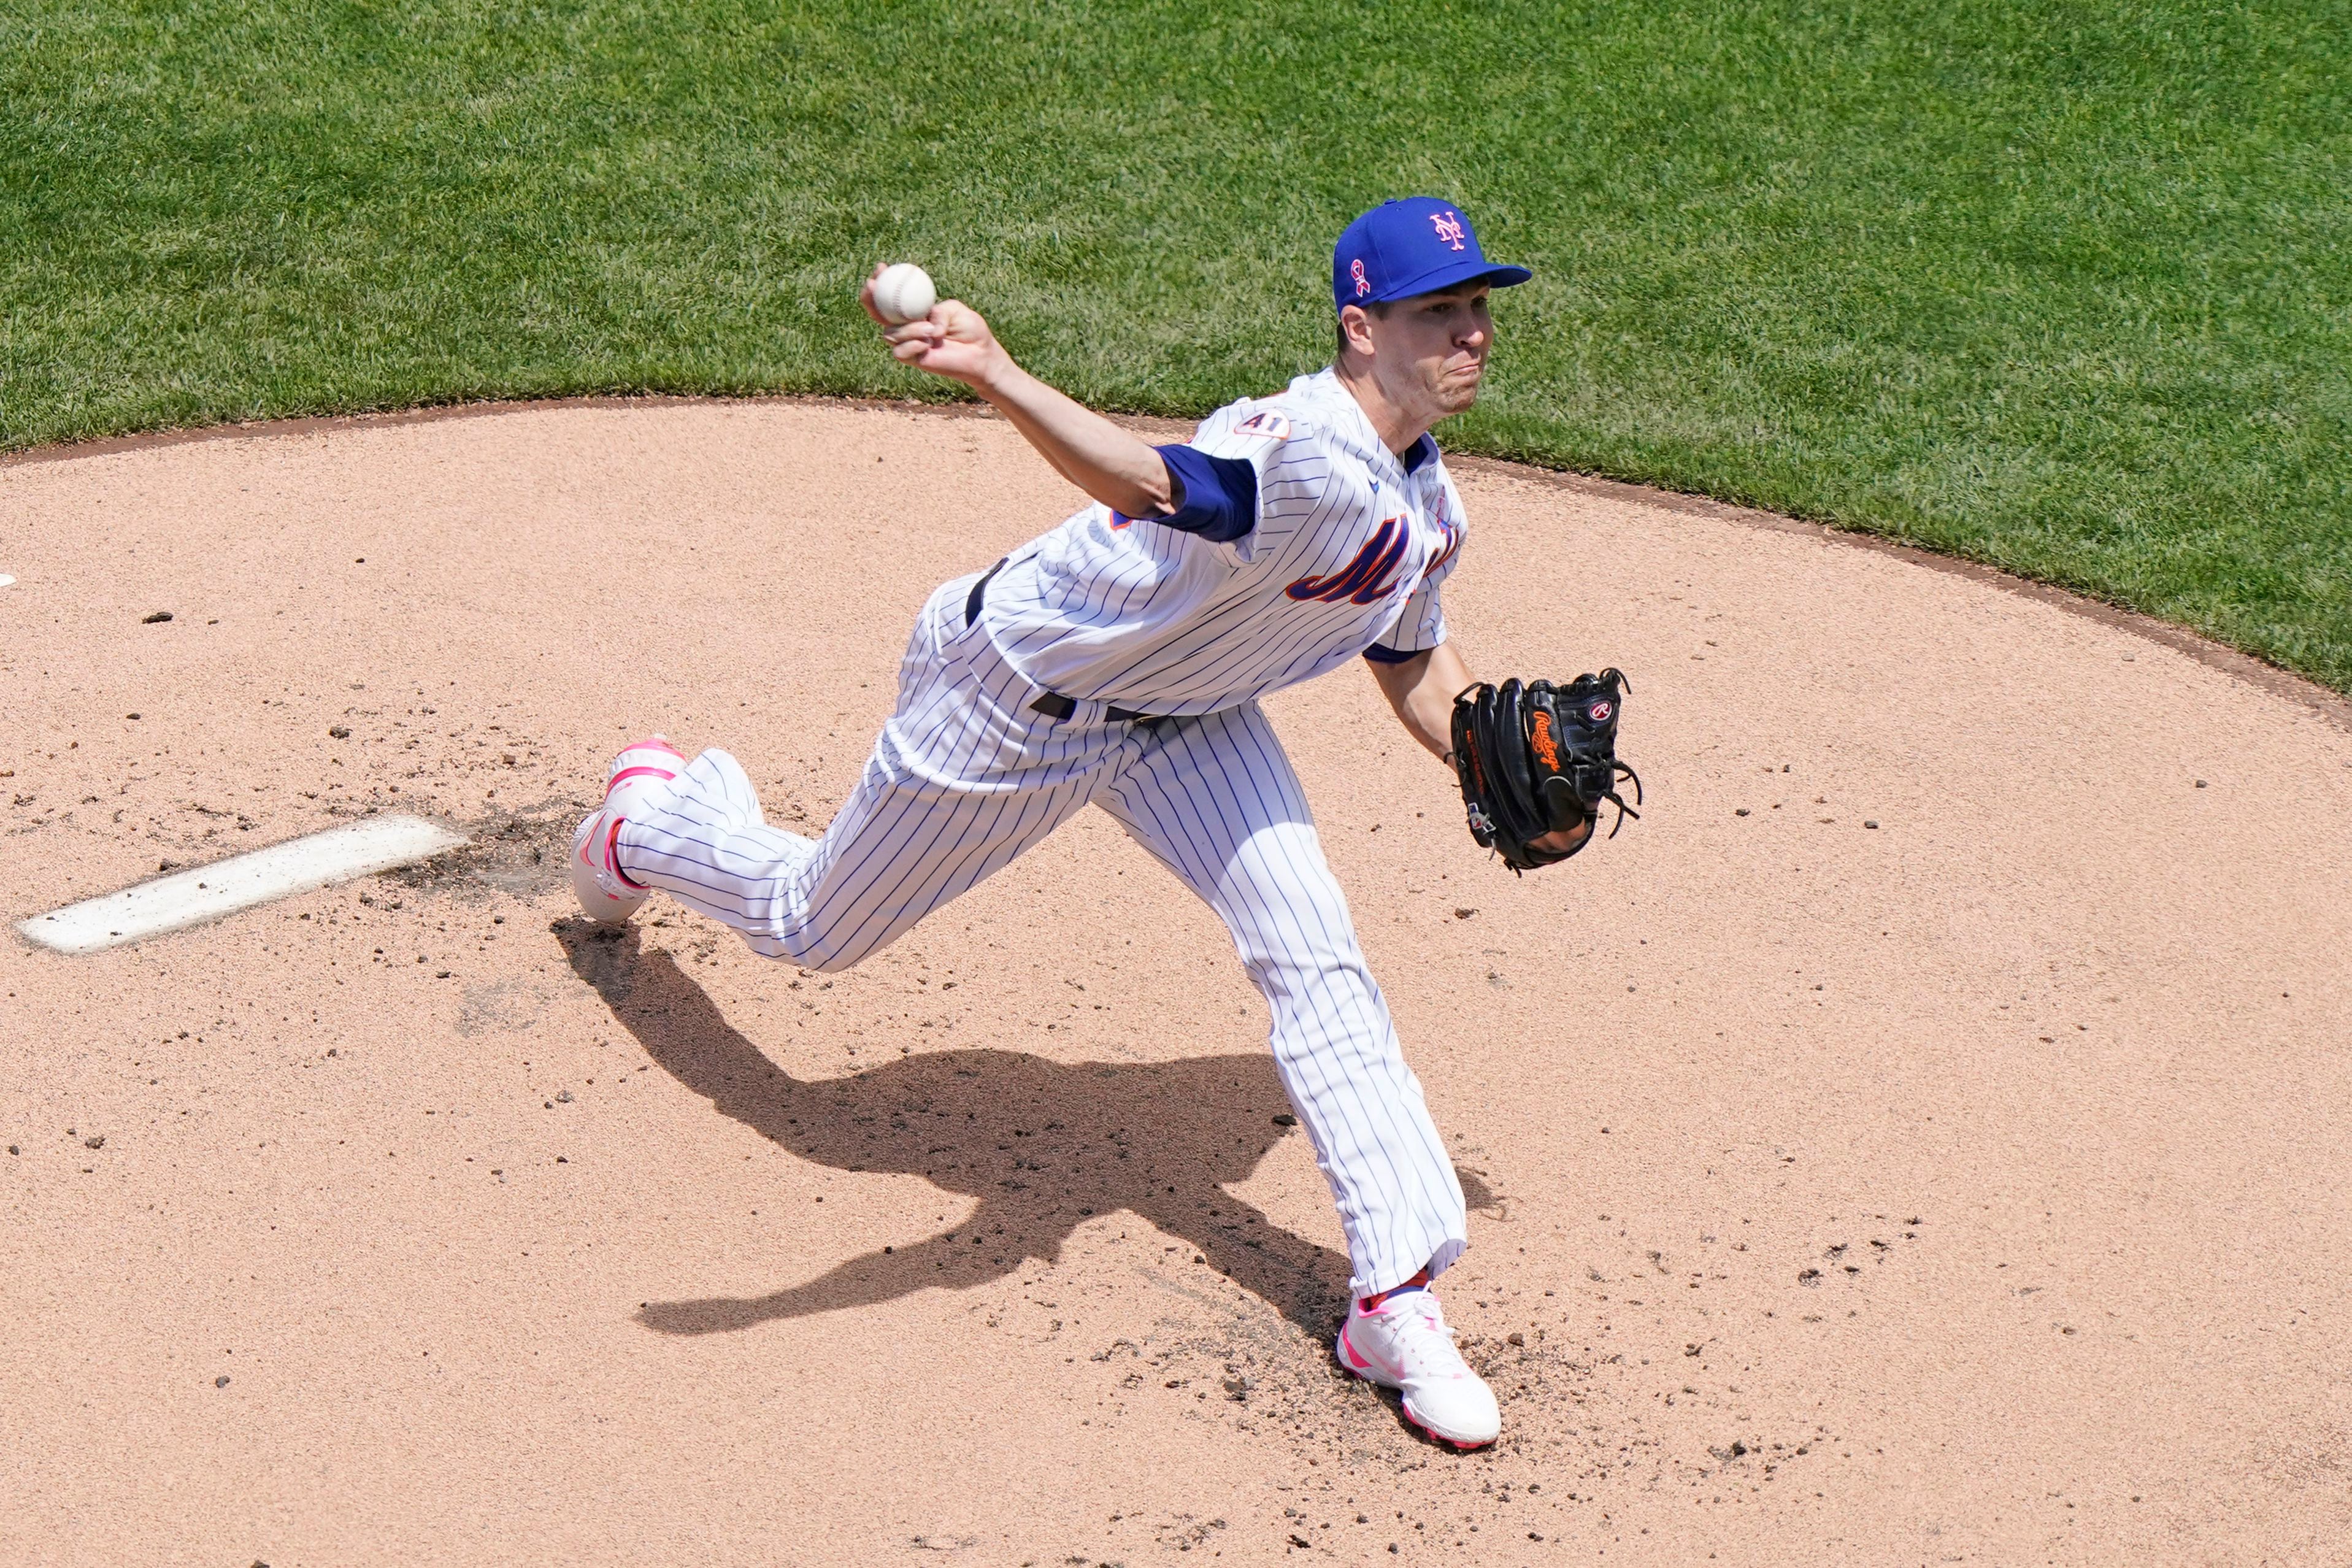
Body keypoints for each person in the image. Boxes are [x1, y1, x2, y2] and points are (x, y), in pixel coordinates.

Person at [571, 198, 1585, 1449]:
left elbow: (1415, 668)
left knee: (1317, 958)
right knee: (810, 928)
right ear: (1362, 328)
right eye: (1444, 311)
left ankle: (1396, 1296)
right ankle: (651, 821)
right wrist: (999, 374)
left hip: (1193, 721)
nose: (1475, 334)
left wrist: (1497, 774)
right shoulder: (1302, 448)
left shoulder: (1433, 513)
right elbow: (1158, 479)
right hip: (1017, 700)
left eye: (1481, 309)